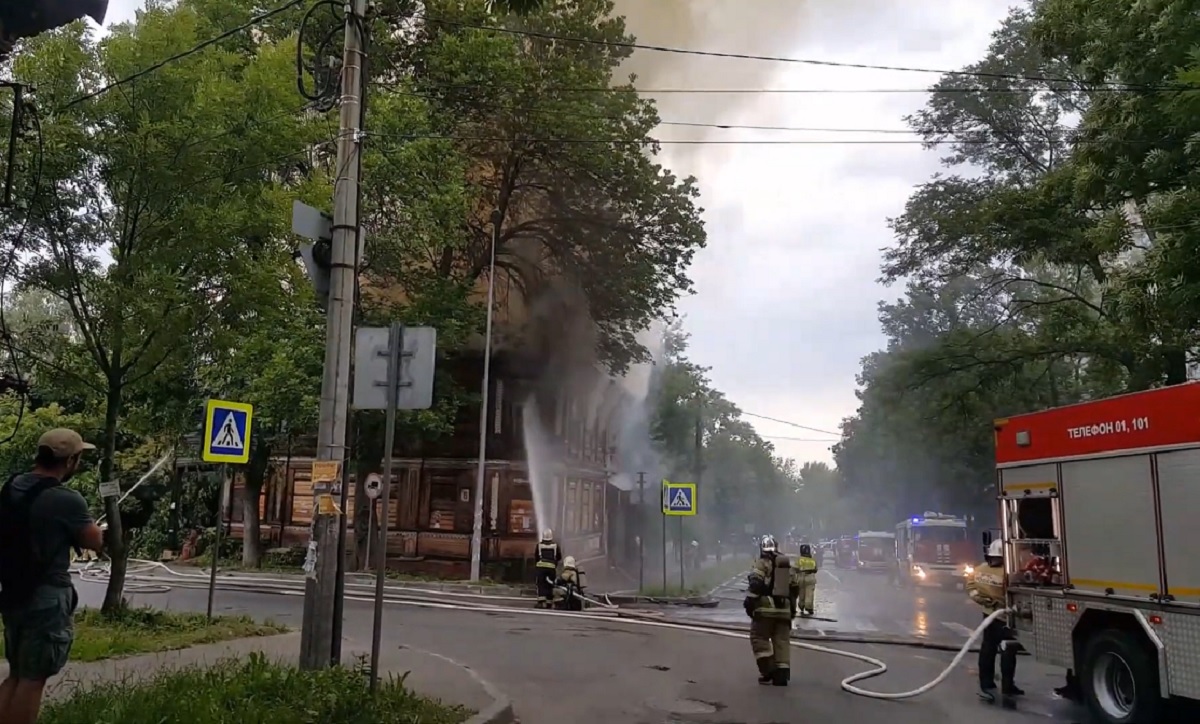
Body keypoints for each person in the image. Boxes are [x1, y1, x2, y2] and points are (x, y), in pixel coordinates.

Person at [0, 428, 105, 724]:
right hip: (46, 597)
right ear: (70, 460)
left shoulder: (12, 486)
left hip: (13, 591)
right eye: (79, 457)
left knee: (17, 674)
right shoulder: (65, 499)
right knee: (33, 681)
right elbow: (92, 541)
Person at [967, 538, 1023, 702]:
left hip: (988, 615)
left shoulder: (978, 570)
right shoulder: (1008, 573)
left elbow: (971, 588)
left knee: (988, 649)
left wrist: (984, 601)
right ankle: (1007, 685)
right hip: (1004, 617)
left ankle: (987, 683)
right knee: (1008, 651)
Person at [744, 534, 802, 686]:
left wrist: (749, 603)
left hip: (765, 609)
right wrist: (792, 610)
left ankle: (769, 669)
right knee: (782, 642)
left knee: (759, 638)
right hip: (785, 610)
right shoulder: (787, 565)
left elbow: (755, 584)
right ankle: (781, 676)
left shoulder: (762, 563)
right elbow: (795, 589)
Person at [532, 528, 562, 609]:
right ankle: (549, 602)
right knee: (550, 585)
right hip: (551, 568)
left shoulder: (539, 545)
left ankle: (541, 602)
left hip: (541, 568)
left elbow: (536, 557)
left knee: (541, 584)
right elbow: (559, 557)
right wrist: (554, 563)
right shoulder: (556, 545)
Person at [796, 544, 818, 616]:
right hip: (810, 577)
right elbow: (815, 569)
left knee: (801, 593)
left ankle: (801, 607)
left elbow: (795, 569)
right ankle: (809, 607)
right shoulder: (812, 560)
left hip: (801, 578)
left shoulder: (799, 560)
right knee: (809, 594)